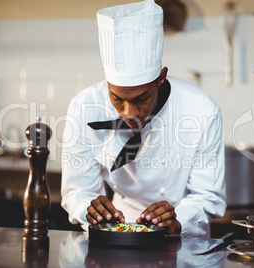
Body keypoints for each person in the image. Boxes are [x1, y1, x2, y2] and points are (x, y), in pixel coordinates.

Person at [61, 0, 226, 237]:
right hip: (117, 230)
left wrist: (177, 219)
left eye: (141, 98)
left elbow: (209, 196)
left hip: (183, 235)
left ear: (161, 77)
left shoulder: (200, 109)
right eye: (117, 98)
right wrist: (90, 209)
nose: (129, 112)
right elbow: (77, 190)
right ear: (106, 79)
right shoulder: (84, 106)